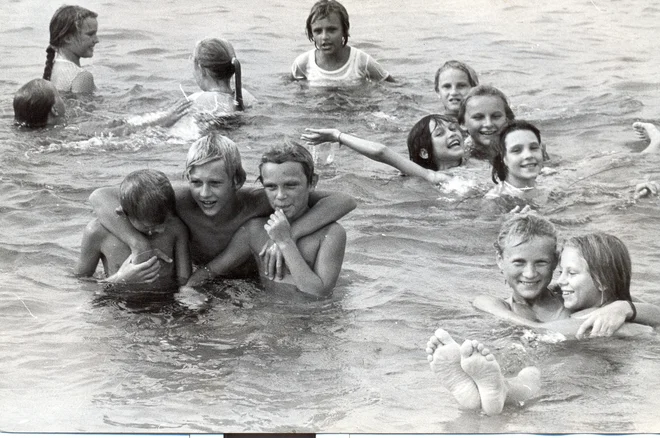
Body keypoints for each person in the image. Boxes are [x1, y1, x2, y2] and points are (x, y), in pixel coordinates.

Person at [88, 132, 356, 280]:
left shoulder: (260, 200)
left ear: (237, 180)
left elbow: (344, 200)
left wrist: (290, 236)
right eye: (196, 182)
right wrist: (137, 243)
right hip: (201, 278)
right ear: (186, 179)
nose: (204, 193)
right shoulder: (178, 201)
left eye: (215, 183)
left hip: (248, 283)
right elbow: (100, 197)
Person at [185, 141, 346, 297]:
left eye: (290, 185)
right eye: (271, 187)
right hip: (267, 320)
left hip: (315, 322)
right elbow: (211, 270)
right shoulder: (254, 231)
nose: (281, 196)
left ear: (312, 183)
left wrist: (285, 242)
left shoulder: (331, 234)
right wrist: (188, 290)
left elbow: (318, 293)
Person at [473, 213, 660, 338]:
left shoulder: (571, 298)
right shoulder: (498, 306)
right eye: (519, 262)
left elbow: (653, 313)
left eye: (541, 262)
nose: (530, 273)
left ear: (555, 260)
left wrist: (623, 307)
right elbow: (481, 302)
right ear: (500, 260)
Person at [75, 169, 191, 290]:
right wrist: (120, 279)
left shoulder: (176, 229)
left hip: (164, 301)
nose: (161, 230)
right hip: (117, 301)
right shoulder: (97, 232)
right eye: (149, 227)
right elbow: (80, 282)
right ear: (123, 213)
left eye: (165, 222)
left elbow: (184, 280)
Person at [302, 114, 466, 185]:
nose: (452, 134)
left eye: (453, 129)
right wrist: (338, 136)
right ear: (424, 152)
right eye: (440, 133)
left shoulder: (474, 164)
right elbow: (382, 152)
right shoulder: (434, 177)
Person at [426, 328, 541, 416]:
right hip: (503, 359)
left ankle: (486, 389)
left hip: (495, 352)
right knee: (532, 373)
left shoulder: (499, 306)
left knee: (531, 371)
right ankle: (497, 390)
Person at [13, 78, 190, 131]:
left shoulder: (34, 135)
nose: (62, 99)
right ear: (54, 109)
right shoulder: (74, 131)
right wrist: (165, 119)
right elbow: (123, 131)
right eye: (58, 96)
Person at [291, 0, 394, 86]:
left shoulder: (361, 61)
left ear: (344, 30)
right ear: (311, 33)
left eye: (332, 30)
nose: (325, 37)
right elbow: (291, 88)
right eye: (318, 31)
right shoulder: (303, 63)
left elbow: (393, 86)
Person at [485, 120, 548, 204]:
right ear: (503, 158)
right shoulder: (494, 200)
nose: (528, 155)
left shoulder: (551, 186)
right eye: (516, 150)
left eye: (533, 147)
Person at [43, 5, 98, 94]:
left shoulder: (52, 69)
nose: (96, 40)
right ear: (68, 38)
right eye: (90, 34)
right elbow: (82, 108)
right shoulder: (82, 76)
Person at [458, 85, 515, 160]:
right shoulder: (460, 157)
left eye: (496, 116)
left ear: (508, 120)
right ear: (463, 123)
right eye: (478, 117)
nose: (488, 124)